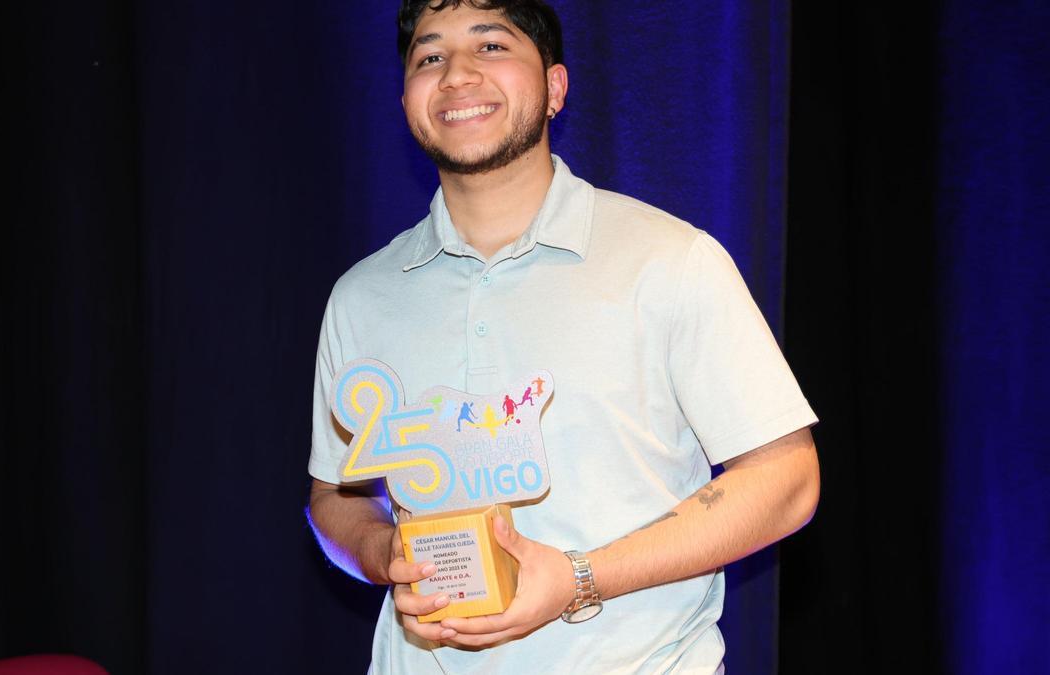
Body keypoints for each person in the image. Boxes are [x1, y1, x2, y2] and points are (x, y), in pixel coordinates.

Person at [306, 1, 820, 673]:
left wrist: (581, 576)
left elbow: (787, 479)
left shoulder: (668, 260)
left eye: (491, 47)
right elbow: (335, 498)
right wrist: (383, 553)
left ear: (554, 88)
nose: (457, 74)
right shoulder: (361, 297)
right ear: (407, 100)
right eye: (430, 57)